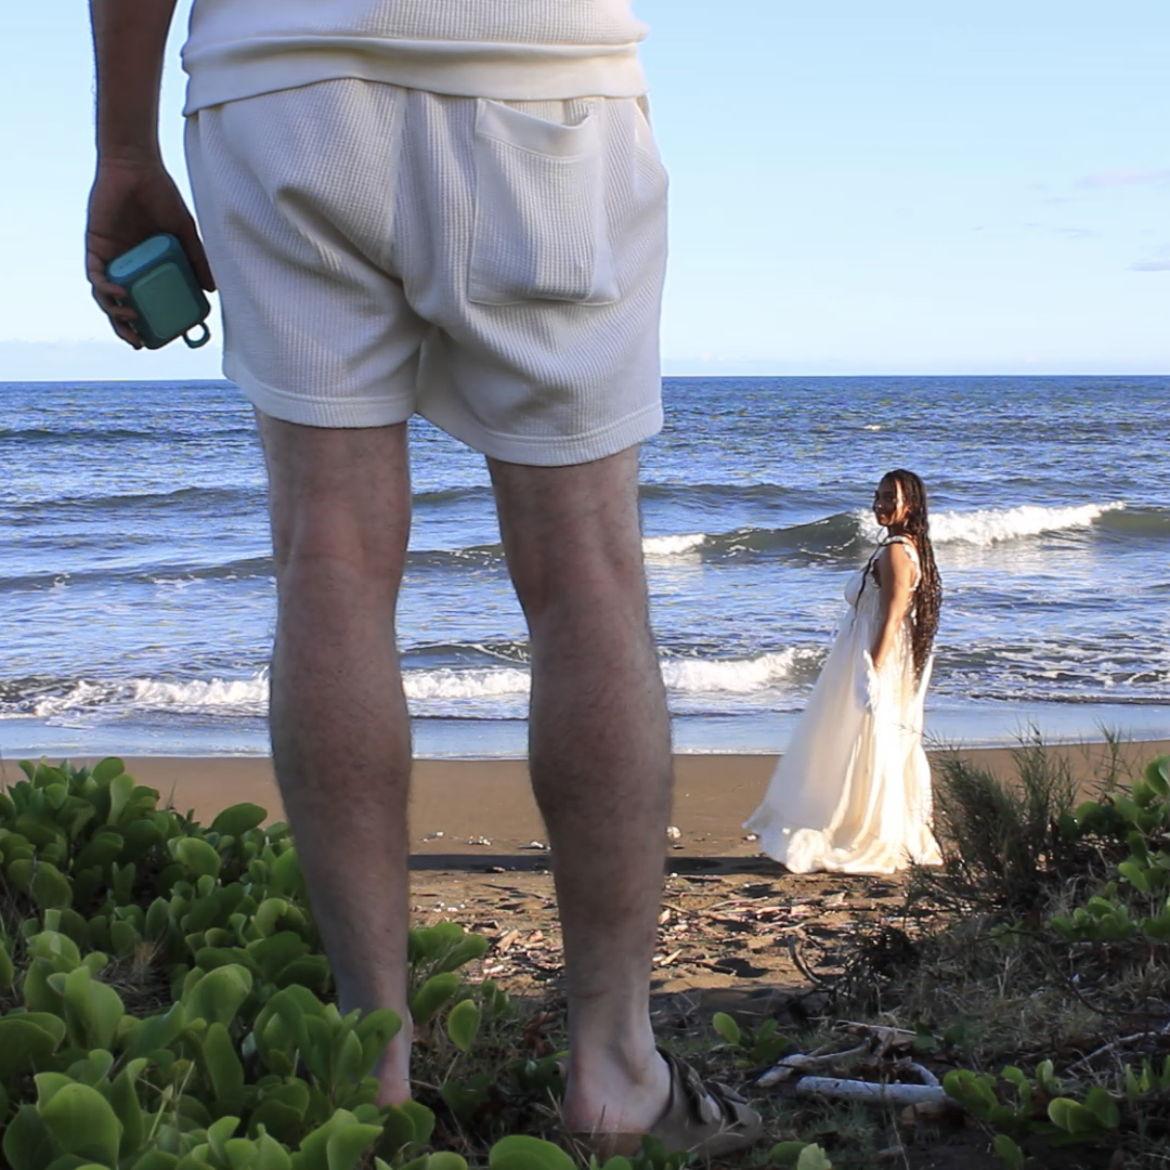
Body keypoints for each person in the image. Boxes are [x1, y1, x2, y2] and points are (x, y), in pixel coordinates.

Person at [84, 0, 760, 1156]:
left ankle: (374, 1072)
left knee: (329, 557)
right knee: (586, 572)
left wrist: (124, 149)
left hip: (279, 84)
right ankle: (615, 1075)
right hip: (539, 70)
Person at [745, 469, 944, 874]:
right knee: (860, 738)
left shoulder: (896, 552)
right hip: (870, 652)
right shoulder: (904, 548)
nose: (880, 504)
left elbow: (893, 617)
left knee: (864, 738)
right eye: (878, 495)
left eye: (890, 497)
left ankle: (864, 829)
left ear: (911, 506)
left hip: (875, 656)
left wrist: (873, 669)